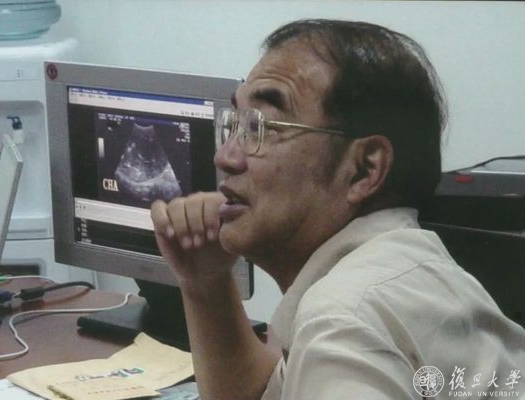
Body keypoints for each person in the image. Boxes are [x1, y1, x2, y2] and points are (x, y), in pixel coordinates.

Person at [150, 19, 524, 399]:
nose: (225, 157)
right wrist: (206, 282)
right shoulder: (393, 274)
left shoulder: (345, 320)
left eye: (264, 127)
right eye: (235, 125)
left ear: (364, 169)